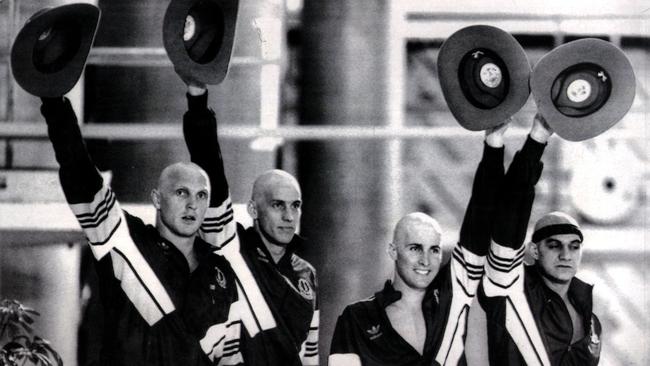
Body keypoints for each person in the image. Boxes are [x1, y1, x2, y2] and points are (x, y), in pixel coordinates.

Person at [38, 94, 242, 365]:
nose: (193, 205)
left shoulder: (220, 268)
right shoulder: (126, 242)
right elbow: (82, 177)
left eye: (201, 196)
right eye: (181, 193)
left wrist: (199, 97)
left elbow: (229, 357)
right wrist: (54, 102)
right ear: (157, 198)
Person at [178, 83, 318, 366]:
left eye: (295, 206)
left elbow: (309, 355)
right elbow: (210, 169)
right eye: (278, 205)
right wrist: (197, 99)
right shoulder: (230, 247)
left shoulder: (307, 274)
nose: (289, 216)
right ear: (253, 209)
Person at [479, 209, 602, 362]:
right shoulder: (513, 292)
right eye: (554, 245)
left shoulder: (591, 321)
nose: (566, 255)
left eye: (574, 246)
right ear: (535, 251)